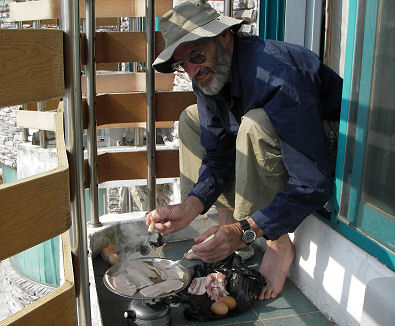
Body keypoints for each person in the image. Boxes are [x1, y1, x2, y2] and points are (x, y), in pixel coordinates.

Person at [145, 0, 342, 300]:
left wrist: (245, 230)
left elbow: (313, 184)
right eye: (182, 63)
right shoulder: (208, 73)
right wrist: (192, 205)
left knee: (254, 124)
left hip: (327, 143)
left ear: (224, 36)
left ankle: (276, 244)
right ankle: (227, 221)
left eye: (196, 55)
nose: (192, 70)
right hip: (284, 140)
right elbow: (218, 153)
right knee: (191, 119)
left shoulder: (276, 74)